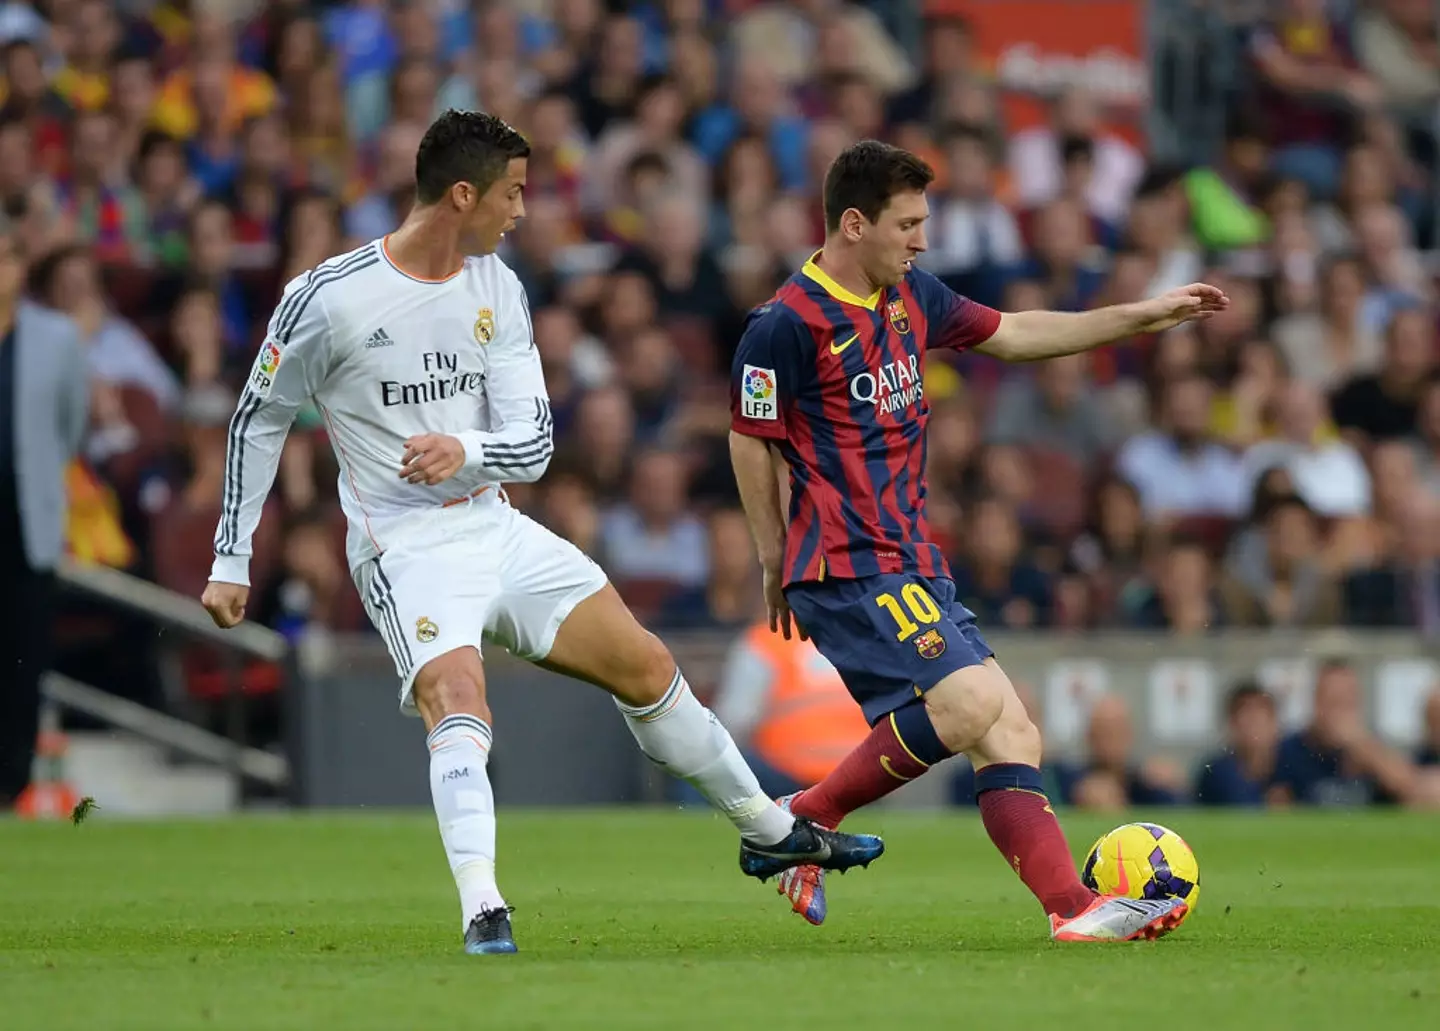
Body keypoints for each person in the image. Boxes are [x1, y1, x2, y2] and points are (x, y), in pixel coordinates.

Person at [200, 111, 884, 956]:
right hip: (404, 544)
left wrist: (465, 448)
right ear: (462, 195)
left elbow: (532, 443)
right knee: (459, 699)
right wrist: (233, 555)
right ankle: (484, 907)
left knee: (647, 666)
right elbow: (256, 419)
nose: (521, 212)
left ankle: (767, 830)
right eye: (513, 194)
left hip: (494, 523)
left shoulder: (497, 287)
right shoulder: (329, 298)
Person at [728, 139, 1227, 942]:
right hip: (841, 563)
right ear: (854, 224)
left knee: (1011, 730)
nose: (922, 239)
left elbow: (1020, 331)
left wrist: (1145, 315)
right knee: (964, 704)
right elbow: (749, 437)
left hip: (912, 561)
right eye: (909, 223)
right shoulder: (785, 324)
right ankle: (803, 816)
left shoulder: (909, 296)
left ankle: (1073, 911)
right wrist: (769, 552)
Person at [0, 218, 89, 808]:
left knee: (23, 654)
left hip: (25, 516)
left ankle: (13, 783)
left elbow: (70, 425)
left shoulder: (56, 336)